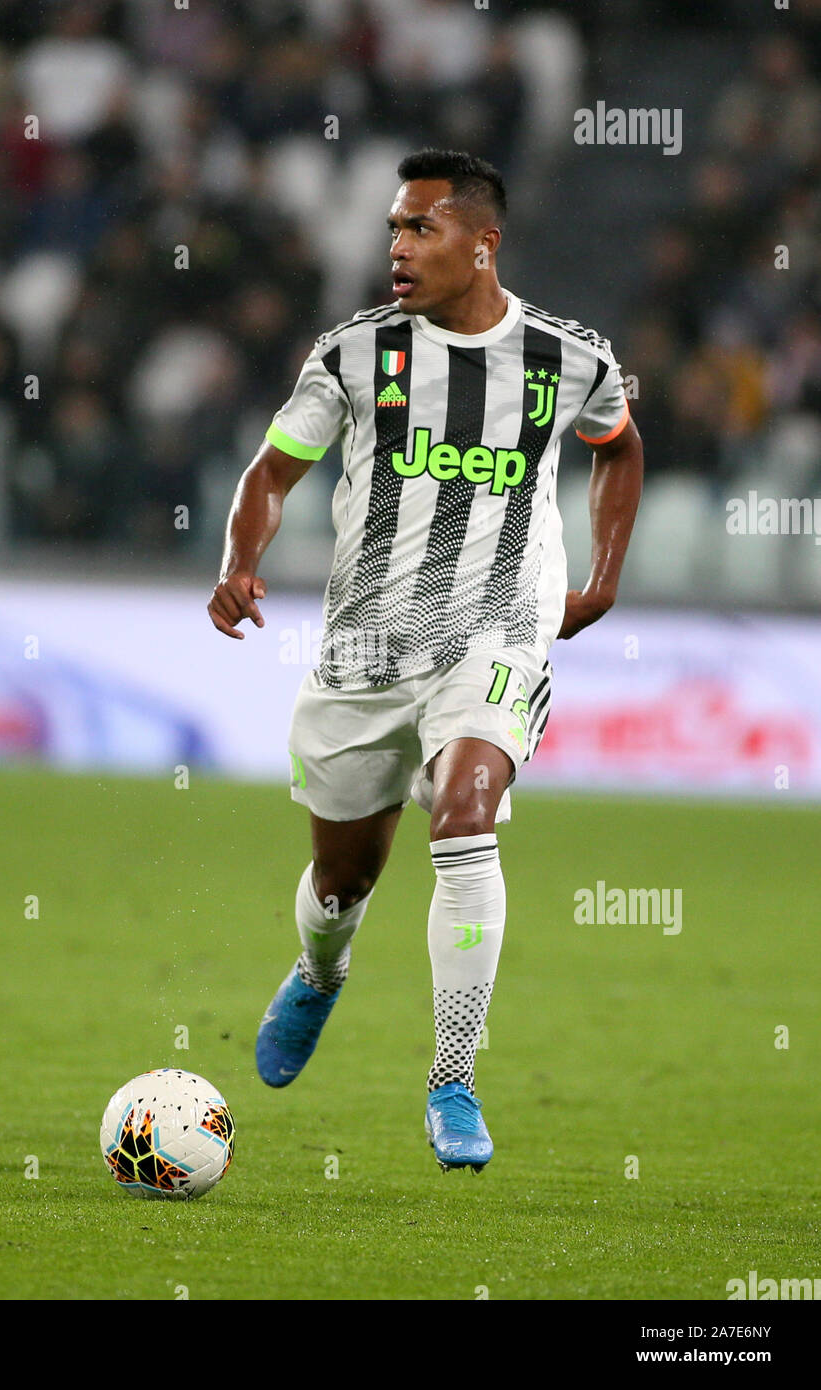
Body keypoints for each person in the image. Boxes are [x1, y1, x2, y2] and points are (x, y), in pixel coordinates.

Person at [208, 148, 643, 1173]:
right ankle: (321, 970)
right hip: (367, 645)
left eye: (420, 229)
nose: (396, 248)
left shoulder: (568, 356)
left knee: (465, 812)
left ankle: (453, 1075)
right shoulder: (356, 353)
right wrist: (241, 558)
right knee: (342, 875)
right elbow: (273, 469)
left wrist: (606, 574)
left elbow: (618, 448)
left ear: (481, 244)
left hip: (497, 628)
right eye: (394, 229)